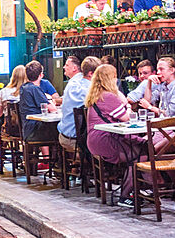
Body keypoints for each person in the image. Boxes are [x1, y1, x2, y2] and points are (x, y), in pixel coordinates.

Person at [85, 64, 145, 207]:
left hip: (95, 140)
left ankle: (137, 189)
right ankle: (127, 194)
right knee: (141, 153)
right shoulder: (108, 96)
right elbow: (128, 118)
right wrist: (129, 107)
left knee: (140, 148)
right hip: (106, 140)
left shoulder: (97, 95)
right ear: (110, 79)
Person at [58, 56, 99, 152]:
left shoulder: (73, 84)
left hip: (66, 135)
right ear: (91, 74)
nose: (64, 67)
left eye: (66, 65)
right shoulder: (88, 89)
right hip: (78, 140)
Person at [19, 61, 57, 143]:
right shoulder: (35, 89)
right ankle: (58, 155)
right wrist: (50, 100)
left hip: (27, 130)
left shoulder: (24, 87)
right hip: (35, 131)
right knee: (59, 129)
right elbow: (52, 109)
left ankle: (47, 155)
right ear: (40, 75)